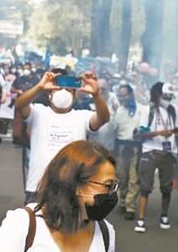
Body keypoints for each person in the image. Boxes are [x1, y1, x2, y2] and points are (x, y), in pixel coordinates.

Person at [16, 70, 110, 205]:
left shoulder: (82, 117)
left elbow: (103, 118)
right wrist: (39, 87)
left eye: (69, 89)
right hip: (38, 187)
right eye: (58, 88)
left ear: (74, 95)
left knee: (70, 225)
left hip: (71, 188)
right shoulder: (38, 112)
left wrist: (96, 94)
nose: (63, 93)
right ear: (50, 93)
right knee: (36, 224)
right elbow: (19, 105)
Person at [133, 82, 178, 234]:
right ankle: (140, 219)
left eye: (170, 96)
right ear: (157, 94)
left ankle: (164, 215)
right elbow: (141, 133)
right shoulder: (148, 110)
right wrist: (160, 133)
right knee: (145, 187)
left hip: (169, 152)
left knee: (167, 188)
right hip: (150, 151)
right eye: (165, 95)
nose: (167, 98)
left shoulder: (174, 111)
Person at [111, 84, 144, 219]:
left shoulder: (142, 109)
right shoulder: (118, 111)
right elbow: (112, 129)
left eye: (125, 95)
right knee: (121, 177)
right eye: (120, 96)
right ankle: (123, 201)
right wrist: (113, 113)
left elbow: (145, 127)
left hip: (136, 146)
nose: (122, 98)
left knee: (134, 177)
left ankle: (131, 206)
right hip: (121, 146)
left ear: (131, 94)